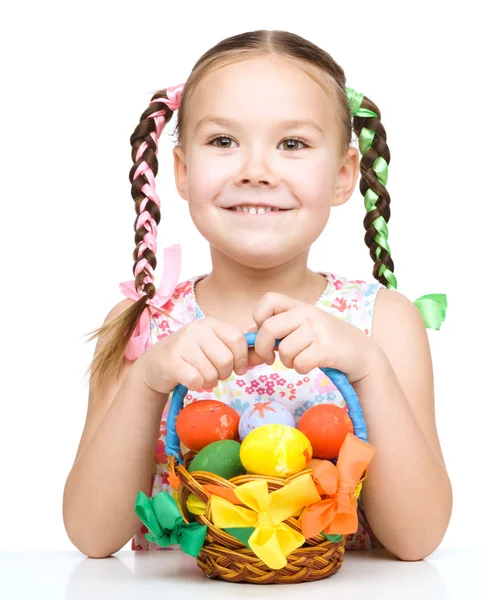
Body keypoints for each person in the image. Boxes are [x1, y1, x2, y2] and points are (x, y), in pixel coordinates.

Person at [62, 29, 452, 562]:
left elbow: (419, 539)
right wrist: (149, 379)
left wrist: (367, 366)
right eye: (223, 141)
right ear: (181, 170)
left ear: (343, 176)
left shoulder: (382, 323)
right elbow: (90, 535)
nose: (255, 171)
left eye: (292, 144)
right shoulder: (144, 324)